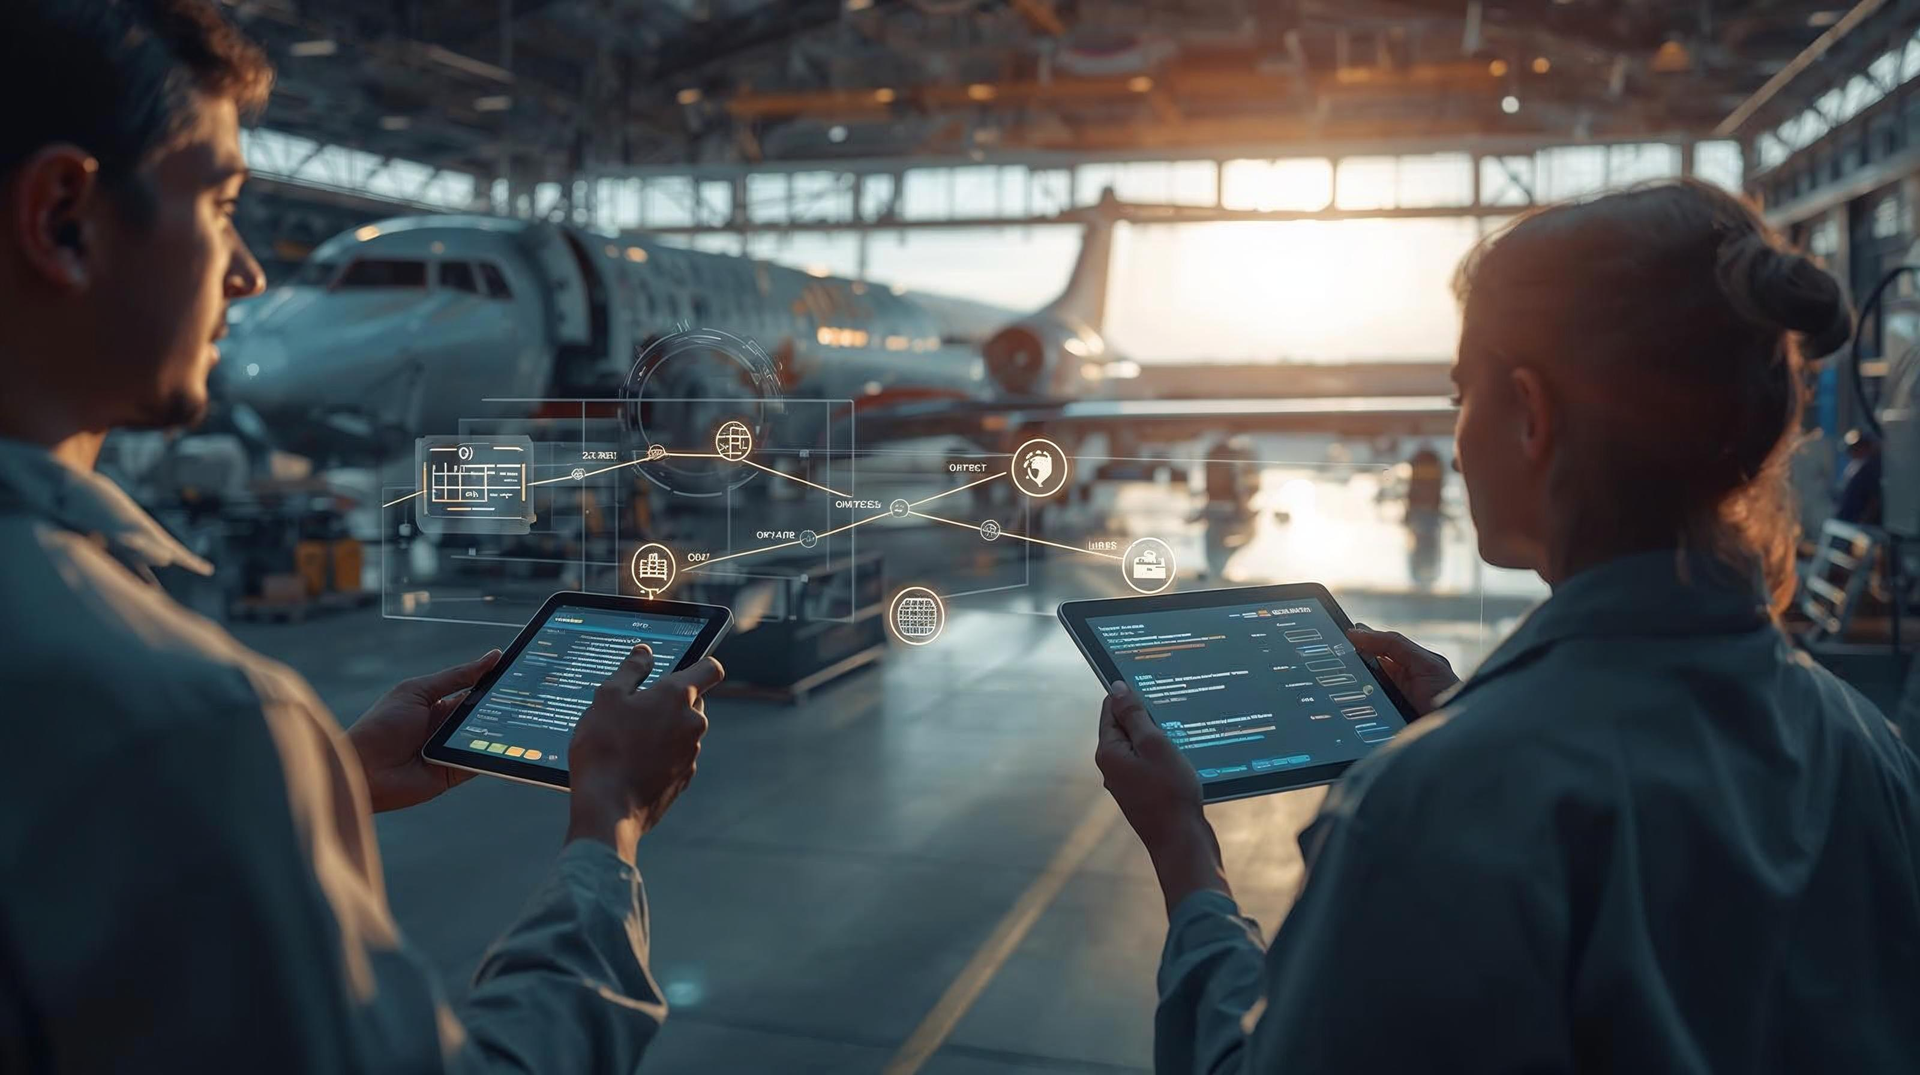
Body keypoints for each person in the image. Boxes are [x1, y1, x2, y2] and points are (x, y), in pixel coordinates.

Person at [0, 2, 722, 1068]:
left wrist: (319, 782)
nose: (247, 275)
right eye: (222, 202)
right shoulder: (193, 718)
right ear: (65, 217)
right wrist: (605, 837)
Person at [1095, 180, 1920, 1073]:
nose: (1454, 438)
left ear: (1530, 412)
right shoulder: (1868, 749)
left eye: (1462, 394)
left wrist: (1189, 861)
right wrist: (1469, 711)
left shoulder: (1432, 808)